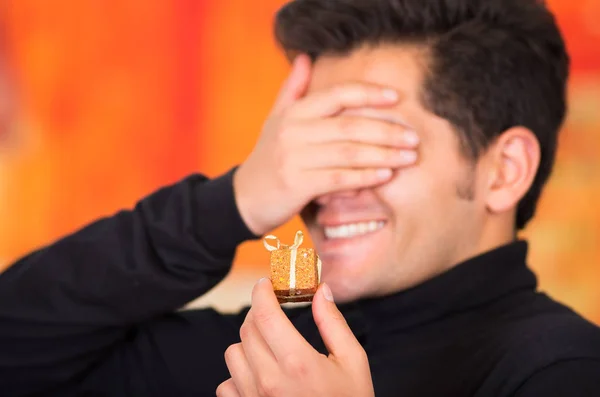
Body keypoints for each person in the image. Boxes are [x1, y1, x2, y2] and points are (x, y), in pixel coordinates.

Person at [1, 0, 600, 396]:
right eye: (312, 144)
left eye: (363, 141)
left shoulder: (561, 370)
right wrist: (233, 200)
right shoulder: (259, 355)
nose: (325, 185)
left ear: (505, 171)